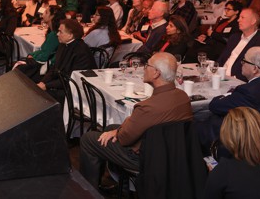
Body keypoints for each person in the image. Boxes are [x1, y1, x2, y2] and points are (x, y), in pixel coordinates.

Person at [79, 52, 193, 191]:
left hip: (146, 158)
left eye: (147, 65)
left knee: (88, 139)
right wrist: (118, 130)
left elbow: (125, 139)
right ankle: (123, 184)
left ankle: (87, 191)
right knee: (110, 128)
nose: (144, 68)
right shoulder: (183, 97)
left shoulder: (147, 107)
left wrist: (122, 128)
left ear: (156, 73)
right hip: (172, 152)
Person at [201, 47, 260, 148]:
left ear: (255, 68)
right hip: (257, 136)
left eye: (244, 61)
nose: (241, 63)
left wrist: (224, 96)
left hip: (233, 139)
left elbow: (214, 105)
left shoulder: (248, 92)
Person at [36, 19, 97, 103]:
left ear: (70, 35)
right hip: (63, 83)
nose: (57, 34)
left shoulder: (81, 51)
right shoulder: (63, 45)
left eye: (60, 32)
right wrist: (42, 82)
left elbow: (71, 78)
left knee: (41, 96)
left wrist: (47, 86)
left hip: (76, 90)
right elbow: (54, 68)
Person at [217, 9, 260, 81]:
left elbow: (255, 72)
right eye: (239, 17)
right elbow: (222, 58)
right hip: (220, 77)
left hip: (237, 82)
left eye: (242, 17)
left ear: (253, 21)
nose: (238, 20)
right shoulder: (234, 37)